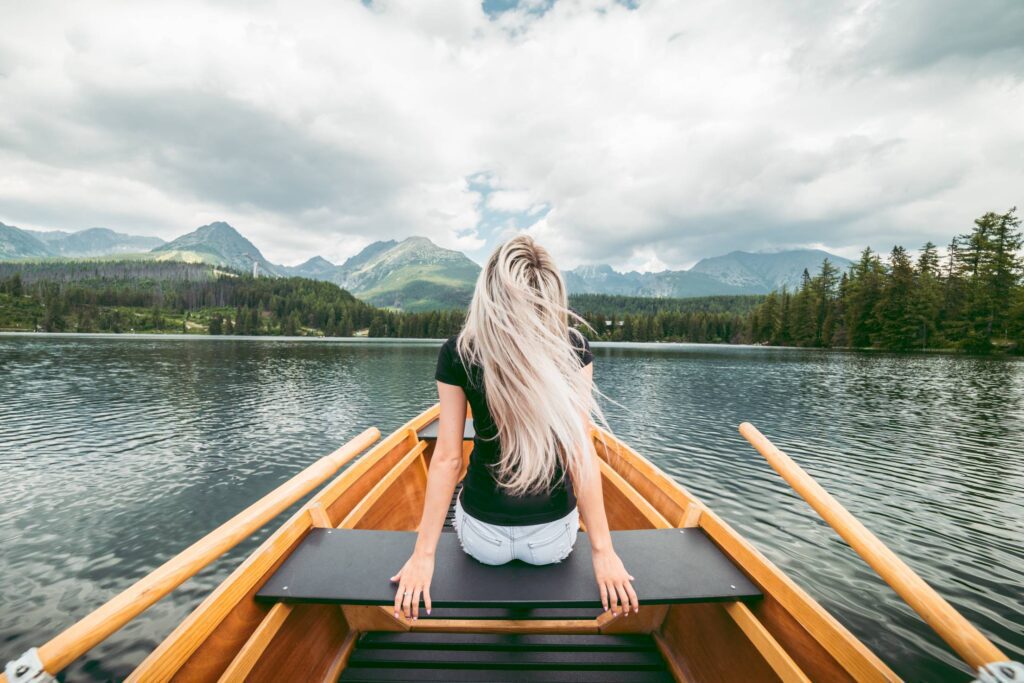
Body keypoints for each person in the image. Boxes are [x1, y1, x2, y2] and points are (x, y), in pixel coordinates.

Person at [389, 235, 639, 622]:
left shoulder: (459, 351)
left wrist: (423, 556)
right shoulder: (572, 347)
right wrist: (604, 553)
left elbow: (448, 460)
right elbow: (579, 453)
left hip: (482, 540)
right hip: (552, 540)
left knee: (463, 491)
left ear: (487, 292)